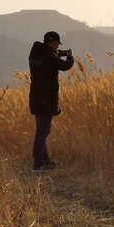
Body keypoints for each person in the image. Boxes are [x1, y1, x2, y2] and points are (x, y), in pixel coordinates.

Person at [28, 31, 74, 170]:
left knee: (41, 131)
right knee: (43, 133)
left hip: (36, 98)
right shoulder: (49, 56)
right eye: (56, 45)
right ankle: (38, 164)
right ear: (54, 43)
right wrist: (70, 57)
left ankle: (45, 161)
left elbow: (50, 55)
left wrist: (60, 53)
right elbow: (65, 66)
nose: (56, 47)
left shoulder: (35, 53)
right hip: (46, 100)